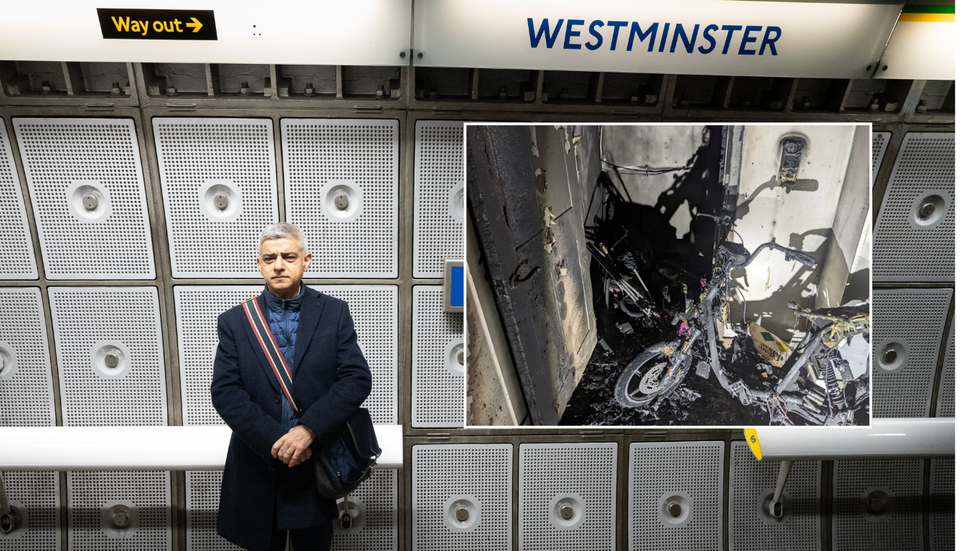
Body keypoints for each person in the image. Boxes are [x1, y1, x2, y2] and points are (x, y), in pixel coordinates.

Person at [211, 222, 372, 551]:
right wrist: (276, 441)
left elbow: (356, 377)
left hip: (314, 464)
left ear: (306, 260)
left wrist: (308, 430)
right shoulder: (235, 321)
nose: (279, 265)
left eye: (288, 256)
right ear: (259, 264)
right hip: (258, 462)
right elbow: (225, 391)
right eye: (269, 258)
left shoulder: (334, 312)